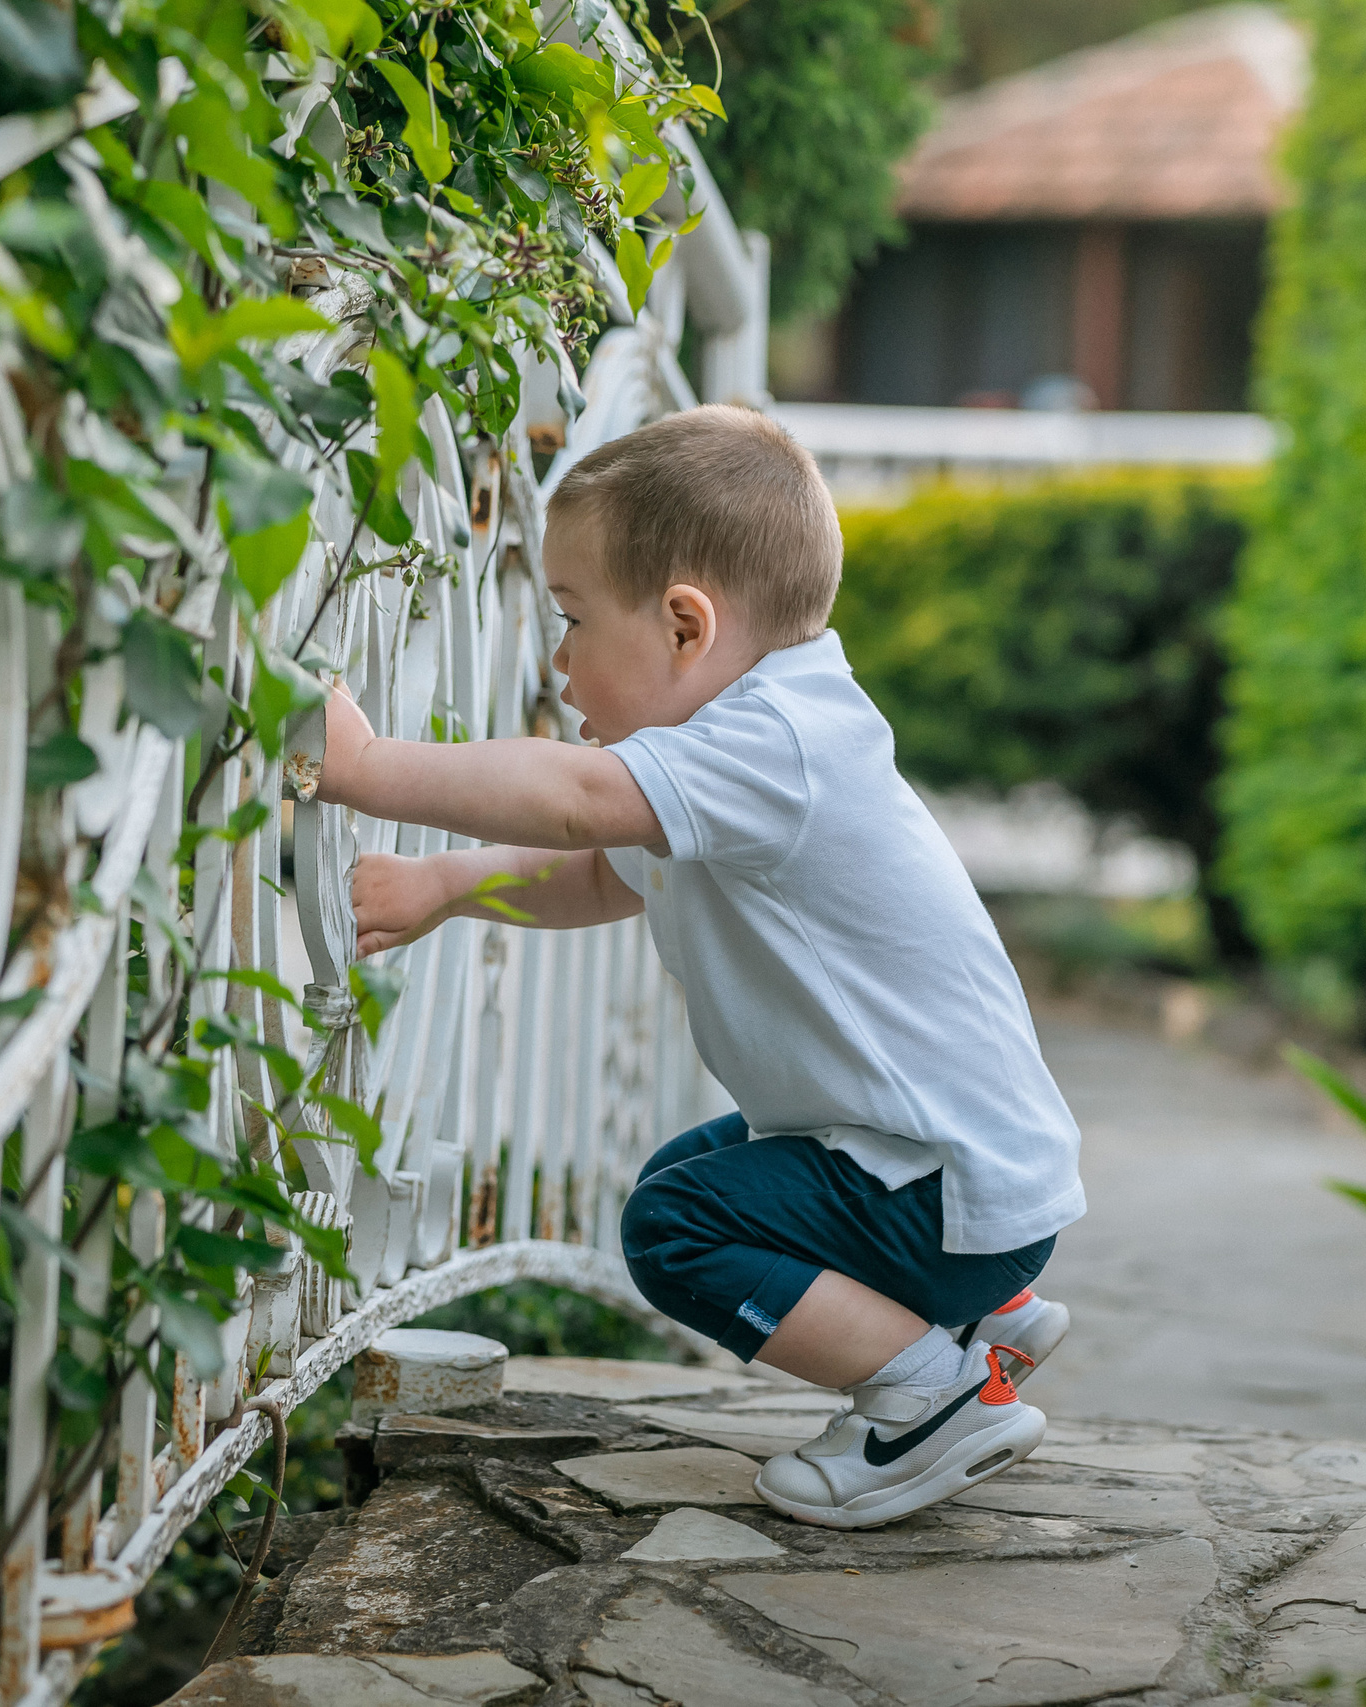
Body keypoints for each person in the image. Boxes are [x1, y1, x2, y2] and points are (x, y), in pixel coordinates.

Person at [315, 404, 1083, 1529]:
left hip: (945, 1197)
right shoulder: (754, 744)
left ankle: (930, 1394)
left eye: (573, 620)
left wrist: (370, 767)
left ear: (685, 626)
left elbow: (579, 801)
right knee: (702, 1171)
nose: (558, 660)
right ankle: (973, 1321)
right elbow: (597, 872)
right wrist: (447, 885)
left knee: (678, 1230)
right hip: (959, 1174)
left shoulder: (777, 745)